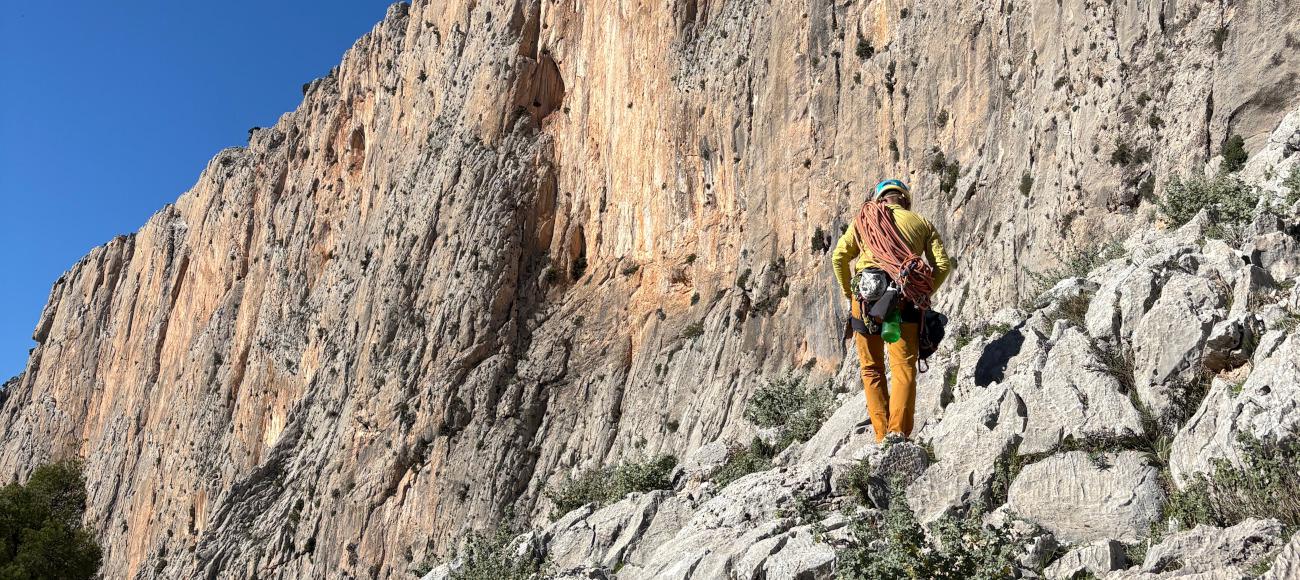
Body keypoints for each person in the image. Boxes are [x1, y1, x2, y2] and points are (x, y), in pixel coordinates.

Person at [831, 179, 951, 444]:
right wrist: (923, 292)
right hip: (905, 297)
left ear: (880, 199)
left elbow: (839, 257)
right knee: (903, 368)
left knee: (871, 369)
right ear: (904, 200)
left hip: (865, 297)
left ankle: (880, 434)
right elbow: (942, 265)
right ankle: (898, 435)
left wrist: (848, 292)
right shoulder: (920, 222)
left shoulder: (864, 220)